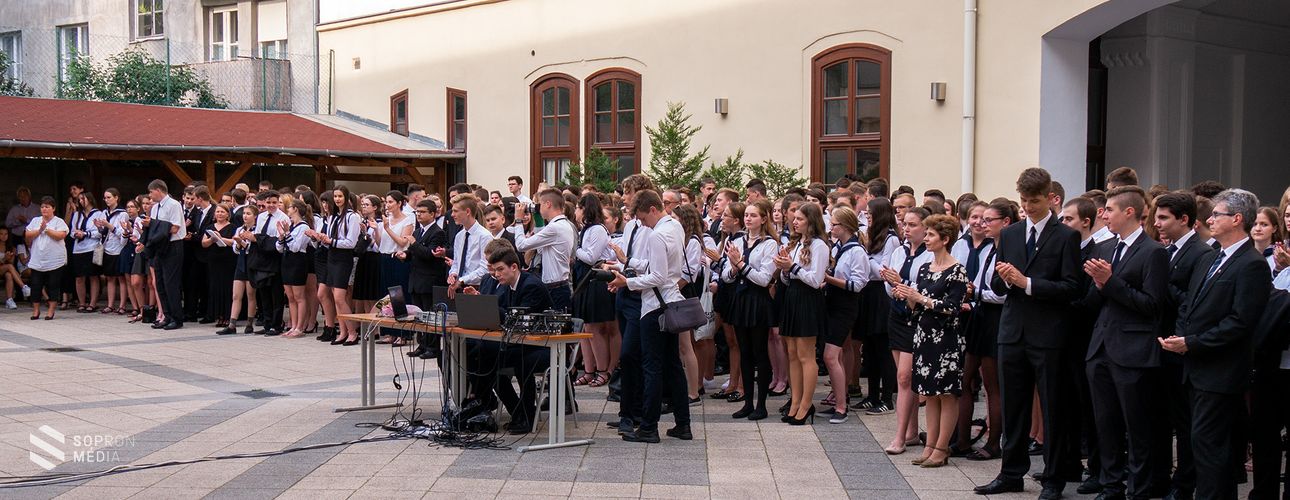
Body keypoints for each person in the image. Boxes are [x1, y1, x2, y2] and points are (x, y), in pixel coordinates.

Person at [975, 168, 1083, 499]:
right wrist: (1006, 279)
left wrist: (1028, 283)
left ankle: (1053, 478)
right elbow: (995, 283)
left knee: (1052, 406)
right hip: (1012, 330)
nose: (1028, 206)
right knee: (1014, 405)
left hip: (1049, 334)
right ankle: (1011, 473)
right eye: (1023, 200)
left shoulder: (1065, 236)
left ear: (1050, 198)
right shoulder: (1009, 234)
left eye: (1033, 201)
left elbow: (1072, 287)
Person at [1159, 189, 1271, 499]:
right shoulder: (1214, 257)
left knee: (1210, 447)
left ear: (1236, 219)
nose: (1209, 220)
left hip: (1221, 371)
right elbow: (1191, 305)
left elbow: (1240, 321)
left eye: (1216, 215)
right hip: (1197, 368)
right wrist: (1181, 338)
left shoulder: (1251, 263)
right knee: (1201, 445)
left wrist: (1192, 343)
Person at [1079, 186, 1170, 499]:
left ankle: (1140, 488)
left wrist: (1110, 282)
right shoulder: (1105, 249)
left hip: (1133, 350)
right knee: (1105, 423)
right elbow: (1095, 300)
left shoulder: (1153, 252)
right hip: (1101, 346)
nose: (1103, 215)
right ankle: (1110, 484)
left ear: (1129, 212)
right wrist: (1096, 284)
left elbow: (1152, 305)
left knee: (1137, 425)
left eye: (1109, 210)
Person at [606, 189, 691, 442]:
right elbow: (660, 266)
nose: (642, 223)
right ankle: (683, 424)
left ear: (653, 210)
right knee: (673, 365)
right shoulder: (675, 227)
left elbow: (657, 277)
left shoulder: (656, 235)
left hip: (655, 305)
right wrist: (630, 262)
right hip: (672, 301)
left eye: (643, 218)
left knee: (652, 367)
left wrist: (627, 283)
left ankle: (648, 427)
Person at [1149, 191, 1214, 499]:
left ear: (1184, 219)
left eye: (1163, 218)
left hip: (1180, 347)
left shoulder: (1200, 253)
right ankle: (1159, 477)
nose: (1157, 223)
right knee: (1159, 418)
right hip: (1159, 345)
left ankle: (1184, 484)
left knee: (1184, 422)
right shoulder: (1168, 250)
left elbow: (1194, 301)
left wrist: (1164, 285)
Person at [893, 213, 969, 468]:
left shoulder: (957, 270)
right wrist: (909, 297)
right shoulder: (925, 268)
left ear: (945, 239)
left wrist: (921, 298)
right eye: (925, 234)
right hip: (924, 336)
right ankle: (929, 445)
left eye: (931, 235)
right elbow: (919, 306)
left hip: (946, 339)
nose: (926, 238)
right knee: (930, 393)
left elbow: (953, 307)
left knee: (946, 394)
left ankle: (942, 447)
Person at [607, 174, 656, 435]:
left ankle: (632, 413)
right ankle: (629, 410)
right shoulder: (630, 226)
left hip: (640, 294)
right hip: (625, 292)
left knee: (631, 354)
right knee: (628, 357)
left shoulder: (651, 227)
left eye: (627, 193)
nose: (623, 197)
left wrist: (627, 265)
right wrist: (617, 271)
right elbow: (627, 259)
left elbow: (647, 263)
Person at [722, 199, 780, 421]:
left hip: (758, 301)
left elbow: (764, 279)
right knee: (744, 351)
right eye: (746, 215)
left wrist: (741, 265)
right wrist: (735, 267)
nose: (748, 219)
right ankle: (747, 401)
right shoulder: (737, 240)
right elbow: (727, 275)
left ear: (764, 218)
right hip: (741, 299)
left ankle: (761, 403)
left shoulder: (770, 244)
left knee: (759, 352)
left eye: (753, 215)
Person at [773, 202, 830, 425]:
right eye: (794, 218)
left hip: (808, 300)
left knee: (806, 354)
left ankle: (806, 404)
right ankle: (795, 401)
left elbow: (816, 280)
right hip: (792, 297)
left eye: (800, 219)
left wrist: (792, 267)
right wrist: (783, 267)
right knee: (793, 353)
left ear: (811, 221)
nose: (794, 222)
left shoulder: (819, 246)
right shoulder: (796, 244)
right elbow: (790, 277)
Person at [881, 206, 932, 452]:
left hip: (918, 318)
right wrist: (892, 284)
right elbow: (891, 288)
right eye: (905, 224)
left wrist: (902, 284)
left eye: (912, 225)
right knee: (906, 379)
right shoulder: (899, 252)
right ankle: (911, 431)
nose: (906, 229)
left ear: (925, 228)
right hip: (897, 315)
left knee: (904, 377)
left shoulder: (931, 255)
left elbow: (927, 289)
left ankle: (899, 436)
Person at [821, 206, 868, 423]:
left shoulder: (856, 251)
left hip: (845, 306)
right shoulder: (840, 248)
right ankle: (841, 398)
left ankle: (841, 406)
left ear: (846, 226)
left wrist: (829, 279)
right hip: (834, 304)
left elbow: (857, 284)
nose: (832, 227)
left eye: (835, 224)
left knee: (830, 356)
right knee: (837, 353)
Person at [859, 198, 902, 415]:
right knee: (870, 349)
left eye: (870, 214)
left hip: (882, 295)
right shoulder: (873, 237)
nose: (867, 217)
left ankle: (886, 397)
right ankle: (872, 394)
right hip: (869, 294)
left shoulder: (891, 239)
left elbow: (884, 271)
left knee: (883, 348)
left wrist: (867, 260)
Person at [572, 193, 617, 388]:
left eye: (577, 208)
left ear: (584, 209)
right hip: (585, 280)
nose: (575, 211)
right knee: (586, 327)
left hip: (597, 280)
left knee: (596, 327)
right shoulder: (586, 229)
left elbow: (591, 257)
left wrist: (575, 249)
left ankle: (602, 370)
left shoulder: (597, 229)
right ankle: (589, 370)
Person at [400, 199, 449, 359]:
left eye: (422, 212)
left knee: (430, 315)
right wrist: (405, 255)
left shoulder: (437, 232)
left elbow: (430, 255)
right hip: (416, 278)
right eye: (417, 212)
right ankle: (421, 344)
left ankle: (433, 347)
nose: (419, 215)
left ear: (432, 214)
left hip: (430, 280)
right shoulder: (417, 231)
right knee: (419, 315)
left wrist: (413, 245)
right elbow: (414, 253)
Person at [516, 189, 577, 311]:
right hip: (558, 286)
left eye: (539, 204)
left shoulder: (555, 228)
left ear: (548, 204)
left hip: (556, 289)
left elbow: (521, 245)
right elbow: (539, 249)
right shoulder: (562, 224)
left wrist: (518, 220)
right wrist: (538, 220)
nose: (537, 207)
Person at [319, 186, 361, 345]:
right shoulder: (333, 216)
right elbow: (330, 237)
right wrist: (323, 238)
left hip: (344, 257)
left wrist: (331, 241)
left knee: (340, 297)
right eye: (335, 196)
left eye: (340, 196)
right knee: (335, 297)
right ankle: (343, 332)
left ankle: (352, 332)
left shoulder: (352, 216)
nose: (337, 199)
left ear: (347, 198)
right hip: (332, 255)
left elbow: (351, 242)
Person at [374, 191, 414, 345]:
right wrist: (376, 230)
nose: (388, 205)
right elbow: (380, 243)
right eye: (387, 202)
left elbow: (403, 243)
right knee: (386, 295)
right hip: (384, 257)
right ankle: (389, 331)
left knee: (399, 295)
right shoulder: (386, 220)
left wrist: (387, 228)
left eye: (391, 202)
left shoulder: (407, 220)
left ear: (399, 203)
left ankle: (403, 333)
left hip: (398, 259)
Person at [146, 180, 187, 331]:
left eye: (151, 192)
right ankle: (167, 315)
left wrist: (155, 227)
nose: (150, 196)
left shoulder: (174, 205)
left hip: (173, 245)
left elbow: (175, 228)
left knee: (171, 283)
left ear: (158, 190)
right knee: (160, 283)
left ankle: (177, 318)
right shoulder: (155, 207)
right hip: (160, 246)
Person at [245, 190, 288, 335]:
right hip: (261, 258)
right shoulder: (262, 217)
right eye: (268, 203)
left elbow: (277, 241)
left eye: (274, 202)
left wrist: (260, 239)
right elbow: (256, 236)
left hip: (274, 258)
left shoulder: (283, 218)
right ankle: (267, 322)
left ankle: (276, 324)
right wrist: (258, 239)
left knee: (276, 294)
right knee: (264, 292)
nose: (271, 205)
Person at [25, 197, 68, 321]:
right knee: (36, 285)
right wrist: (39, 230)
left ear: (53, 208)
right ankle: (36, 310)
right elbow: (27, 234)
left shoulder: (58, 222)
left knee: (53, 285)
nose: (44, 209)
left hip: (55, 260)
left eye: (47, 207)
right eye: (43, 206)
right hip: (38, 259)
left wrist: (47, 230)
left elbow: (61, 235)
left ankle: (50, 311)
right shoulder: (35, 220)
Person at [219, 204, 258, 335]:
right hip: (241, 262)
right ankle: (232, 324)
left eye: (248, 214)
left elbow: (251, 248)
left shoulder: (256, 230)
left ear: (255, 216)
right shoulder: (239, 229)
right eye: (244, 213)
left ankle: (249, 323)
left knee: (250, 294)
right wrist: (238, 242)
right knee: (236, 295)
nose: (245, 216)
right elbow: (235, 249)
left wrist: (242, 243)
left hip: (251, 262)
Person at [276, 200, 313, 338]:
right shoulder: (291, 225)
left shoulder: (303, 227)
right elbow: (279, 248)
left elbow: (296, 247)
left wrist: (286, 234)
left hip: (298, 261)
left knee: (299, 296)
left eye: (289, 208)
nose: (288, 210)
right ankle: (293, 325)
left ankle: (300, 327)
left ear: (295, 209)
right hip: (286, 260)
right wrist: (281, 235)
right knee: (290, 297)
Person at [447, 193, 492, 298]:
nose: (452, 214)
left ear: (467, 212)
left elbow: (485, 268)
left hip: (477, 287)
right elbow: (456, 262)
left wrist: (462, 280)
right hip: (459, 287)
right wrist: (453, 274)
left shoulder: (484, 236)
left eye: (455, 211)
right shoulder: (459, 236)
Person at [202, 204, 238, 330]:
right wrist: (212, 239)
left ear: (228, 214)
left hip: (228, 260)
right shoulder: (210, 227)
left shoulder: (233, 227)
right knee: (215, 286)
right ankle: (219, 315)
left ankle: (228, 316)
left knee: (227, 287)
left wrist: (221, 238)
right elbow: (204, 243)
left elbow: (234, 241)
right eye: (218, 211)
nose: (220, 214)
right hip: (214, 260)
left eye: (223, 212)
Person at [350, 195, 386, 320]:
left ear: (375, 207)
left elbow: (379, 246)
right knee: (364, 295)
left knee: (372, 294)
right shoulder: (364, 222)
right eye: (363, 205)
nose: (364, 207)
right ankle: (367, 321)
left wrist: (369, 237)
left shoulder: (380, 223)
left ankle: (374, 325)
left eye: (367, 205)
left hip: (374, 259)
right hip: (364, 258)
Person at [68, 192, 104, 313]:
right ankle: (82, 302)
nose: (81, 201)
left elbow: (100, 232)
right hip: (79, 249)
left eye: (83, 199)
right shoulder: (77, 214)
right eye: (79, 200)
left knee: (93, 276)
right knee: (79, 277)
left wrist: (86, 233)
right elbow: (71, 231)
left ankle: (93, 303)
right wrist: (76, 234)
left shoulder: (98, 213)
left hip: (92, 247)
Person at [96, 189, 129, 315]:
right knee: (109, 278)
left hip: (118, 249)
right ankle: (110, 305)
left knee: (121, 278)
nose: (106, 200)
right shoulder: (104, 212)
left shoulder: (122, 214)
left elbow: (122, 233)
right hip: (107, 248)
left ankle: (122, 305)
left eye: (109, 197)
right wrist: (99, 226)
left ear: (116, 198)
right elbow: (101, 233)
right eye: (105, 198)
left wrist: (108, 225)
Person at [0, 226, 31, 309]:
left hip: (4, 270)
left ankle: (9, 300)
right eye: (1, 234)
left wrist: (9, 258)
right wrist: (4, 259)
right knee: (9, 267)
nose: (4, 236)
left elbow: (11, 263)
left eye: (6, 234)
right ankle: (24, 287)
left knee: (9, 275)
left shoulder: (12, 248)